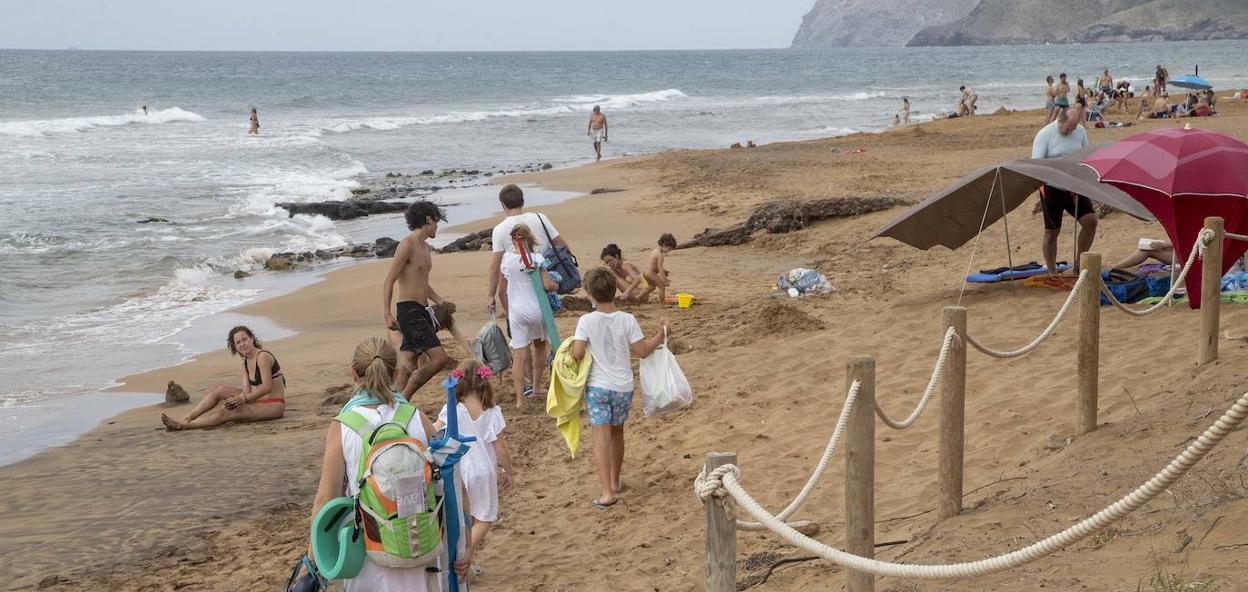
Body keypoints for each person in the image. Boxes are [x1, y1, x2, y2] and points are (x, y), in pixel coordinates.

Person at [308, 337, 469, 590]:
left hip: (369, 553)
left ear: (353, 373)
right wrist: (464, 544)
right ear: (395, 373)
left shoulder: (343, 426)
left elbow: (325, 499)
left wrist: (312, 559)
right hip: (420, 549)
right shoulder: (415, 417)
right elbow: (451, 481)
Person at [570, 268, 667, 509]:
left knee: (601, 439)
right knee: (617, 434)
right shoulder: (627, 319)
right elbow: (643, 350)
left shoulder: (586, 321)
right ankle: (614, 482)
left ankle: (607, 493)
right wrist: (662, 333)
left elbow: (578, 353)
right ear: (614, 291)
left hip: (598, 387)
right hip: (622, 387)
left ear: (590, 294)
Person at [434, 359, 514, 564]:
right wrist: (509, 472)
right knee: (485, 519)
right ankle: (462, 559)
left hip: (459, 470)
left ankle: (460, 557)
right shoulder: (492, 413)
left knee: (466, 519)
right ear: (484, 381)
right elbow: (501, 449)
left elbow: (434, 431)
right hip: (483, 471)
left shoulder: (453, 408)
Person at [384, 201, 451, 401]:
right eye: (436, 221)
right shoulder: (406, 245)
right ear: (428, 220)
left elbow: (423, 282)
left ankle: (390, 400)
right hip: (409, 310)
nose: (437, 226)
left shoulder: (426, 247)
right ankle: (404, 397)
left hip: (422, 309)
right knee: (439, 358)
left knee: (407, 361)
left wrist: (440, 301)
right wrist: (386, 313)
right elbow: (389, 281)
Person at [160, 326, 286, 430]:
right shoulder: (246, 362)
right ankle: (187, 418)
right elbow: (246, 391)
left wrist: (242, 399)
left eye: (245, 339)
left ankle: (183, 425)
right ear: (235, 347)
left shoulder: (262, 356)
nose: (242, 344)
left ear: (252, 339)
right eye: (238, 342)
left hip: (273, 405)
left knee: (225, 413)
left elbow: (267, 387)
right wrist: (237, 400)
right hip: (257, 401)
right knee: (218, 389)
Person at [498, 224, 559, 407]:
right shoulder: (537, 258)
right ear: (529, 237)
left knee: (519, 355)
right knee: (539, 347)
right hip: (537, 307)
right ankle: (537, 387)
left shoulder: (506, 260)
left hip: (516, 310)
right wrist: (556, 285)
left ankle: (519, 399)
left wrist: (507, 310)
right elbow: (547, 285)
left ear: (513, 240)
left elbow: (501, 291)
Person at [1032, 105, 1096, 275]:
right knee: (1052, 232)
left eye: (1073, 129)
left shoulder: (1080, 131)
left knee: (1091, 221)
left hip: (1074, 186)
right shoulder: (1045, 135)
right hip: (1051, 187)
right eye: (1068, 129)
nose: (1070, 132)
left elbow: (1086, 155)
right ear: (1060, 121)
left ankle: (1077, 266)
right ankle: (1052, 271)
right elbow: (1036, 166)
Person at [487, 184, 571, 312]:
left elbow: (495, 266)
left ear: (503, 205)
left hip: (520, 288)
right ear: (523, 202)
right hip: (545, 281)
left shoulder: (499, 230)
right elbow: (561, 244)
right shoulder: (540, 218)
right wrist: (571, 268)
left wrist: (491, 295)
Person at [644, 233, 677, 304]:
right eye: (669, 248)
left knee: (652, 287)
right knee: (661, 286)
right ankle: (662, 303)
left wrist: (665, 270)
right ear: (664, 245)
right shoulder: (660, 255)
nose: (669, 251)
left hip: (647, 272)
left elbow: (655, 265)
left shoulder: (655, 250)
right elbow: (660, 268)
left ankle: (638, 296)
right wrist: (665, 280)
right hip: (651, 273)